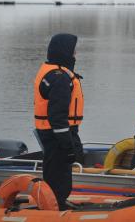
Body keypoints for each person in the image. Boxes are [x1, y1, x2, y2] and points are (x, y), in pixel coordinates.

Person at [34, 33, 84, 210]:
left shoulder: (53, 71)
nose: (75, 54)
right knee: (59, 174)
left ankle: (57, 201)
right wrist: (67, 145)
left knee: (56, 172)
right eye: (73, 51)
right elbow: (57, 116)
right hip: (57, 134)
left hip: (52, 132)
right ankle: (54, 206)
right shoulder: (59, 77)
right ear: (65, 52)